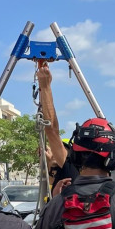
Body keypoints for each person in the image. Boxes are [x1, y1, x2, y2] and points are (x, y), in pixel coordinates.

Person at [37, 60, 79, 195]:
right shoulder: (63, 175)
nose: (55, 152)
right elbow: (50, 181)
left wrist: (45, 86)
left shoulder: (72, 168)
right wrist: (48, 163)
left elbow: (51, 129)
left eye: (61, 150)